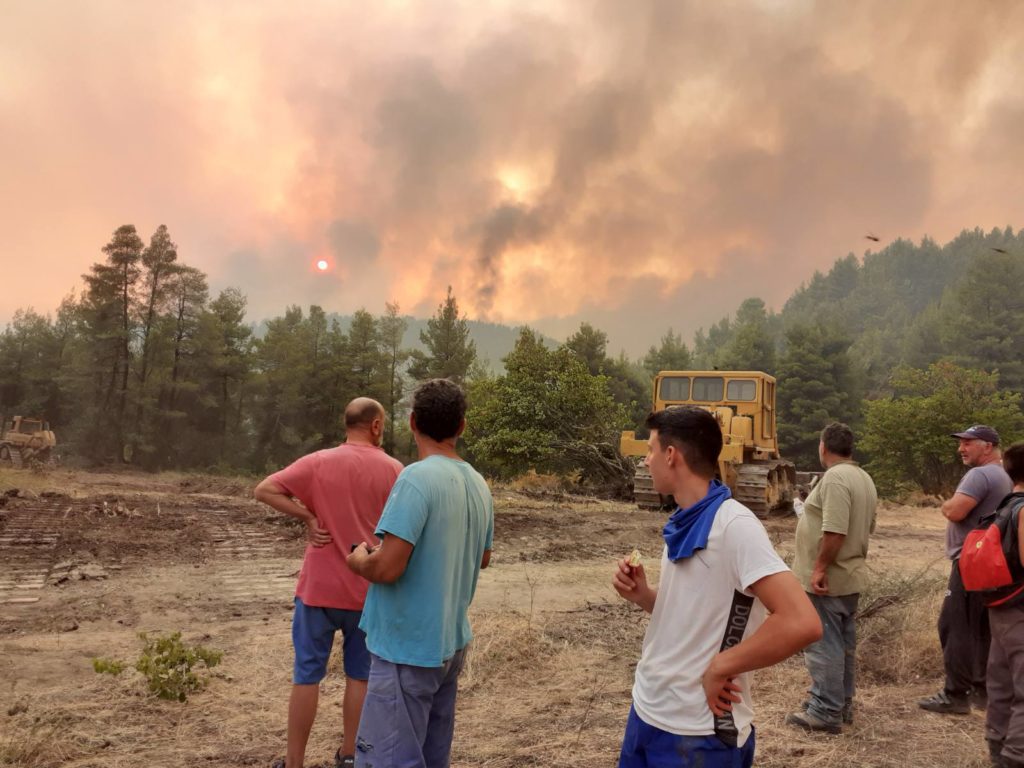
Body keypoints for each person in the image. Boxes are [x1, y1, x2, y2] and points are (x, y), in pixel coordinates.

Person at [612, 405, 822, 768]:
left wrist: (721, 666)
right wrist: (645, 596)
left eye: (650, 450)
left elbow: (801, 621)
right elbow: (698, 612)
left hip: (698, 732)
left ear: (671, 455)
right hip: (648, 709)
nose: (646, 461)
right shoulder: (684, 518)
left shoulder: (735, 526)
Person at [346, 378, 493, 768]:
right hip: (449, 644)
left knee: (389, 759)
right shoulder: (478, 484)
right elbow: (483, 558)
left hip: (406, 648)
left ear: (412, 423)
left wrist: (359, 559)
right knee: (431, 757)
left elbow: (388, 567)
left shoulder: (416, 478)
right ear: (462, 426)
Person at [255, 398, 403, 768]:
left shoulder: (317, 462)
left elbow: (265, 490)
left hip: (318, 589)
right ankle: (350, 756)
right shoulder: (396, 470)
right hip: (367, 591)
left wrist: (307, 516)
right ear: (375, 425)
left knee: (306, 675)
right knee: (360, 677)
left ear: (346, 423)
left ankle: (294, 763)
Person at [785, 422, 877, 734]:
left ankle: (825, 711)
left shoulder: (836, 478)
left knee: (823, 644)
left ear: (823, 447)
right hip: (849, 576)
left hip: (830, 580)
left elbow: (835, 530)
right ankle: (841, 705)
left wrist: (820, 568)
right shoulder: (862, 478)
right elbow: (867, 527)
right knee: (844, 644)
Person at [919, 424, 1012, 715]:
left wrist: (946, 505)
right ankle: (982, 690)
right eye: (961, 443)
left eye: (968, 443)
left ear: (987, 446)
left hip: (971, 562)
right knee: (982, 628)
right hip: (996, 564)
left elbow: (954, 510)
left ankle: (955, 695)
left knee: (954, 625)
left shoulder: (980, 474)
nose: (961, 448)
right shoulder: (1007, 475)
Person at [986, 443, 1024, 768]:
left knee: (999, 680)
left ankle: (997, 743)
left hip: (1000, 603)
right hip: (1021, 609)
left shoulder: (1004, 505)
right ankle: (1016, 754)